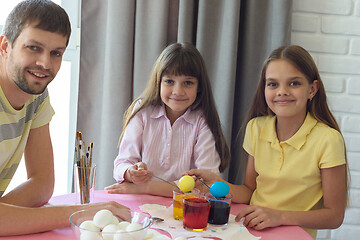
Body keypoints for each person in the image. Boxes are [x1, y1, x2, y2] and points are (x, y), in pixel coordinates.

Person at [185, 45, 348, 239]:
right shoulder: (256, 128)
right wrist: (216, 184)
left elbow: (334, 216)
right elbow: (248, 191)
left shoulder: (328, 140)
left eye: (294, 83)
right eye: (272, 84)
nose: (282, 91)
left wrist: (278, 216)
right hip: (250, 230)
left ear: (312, 89)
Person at [0, 0, 128, 236]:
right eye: (33, 48)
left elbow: (41, 185)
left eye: (56, 53)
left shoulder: (36, 96)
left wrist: (6, 216)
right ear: (5, 46)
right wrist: (78, 212)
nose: (45, 64)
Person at [105, 42, 230, 197]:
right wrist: (130, 173)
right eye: (169, 81)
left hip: (183, 206)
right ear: (158, 82)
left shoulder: (202, 121)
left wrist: (146, 187)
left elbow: (205, 183)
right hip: (139, 200)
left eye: (188, 83)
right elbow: (121, 164)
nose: (177, 91)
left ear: (199, 87)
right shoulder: (142, 111)